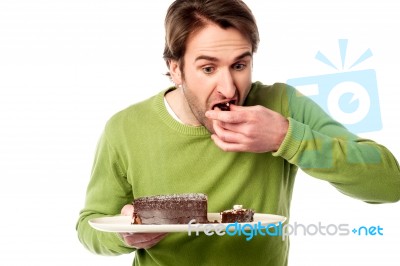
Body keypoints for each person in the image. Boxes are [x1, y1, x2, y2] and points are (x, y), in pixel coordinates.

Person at [76, 0, 400, 265]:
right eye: (208, 68)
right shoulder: (125, 128)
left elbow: (390, 184)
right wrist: (122, 236)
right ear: (176, 68)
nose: (229, 88)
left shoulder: (281, 106)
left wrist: (286, 137)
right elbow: (89, 226)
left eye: (239, 65)